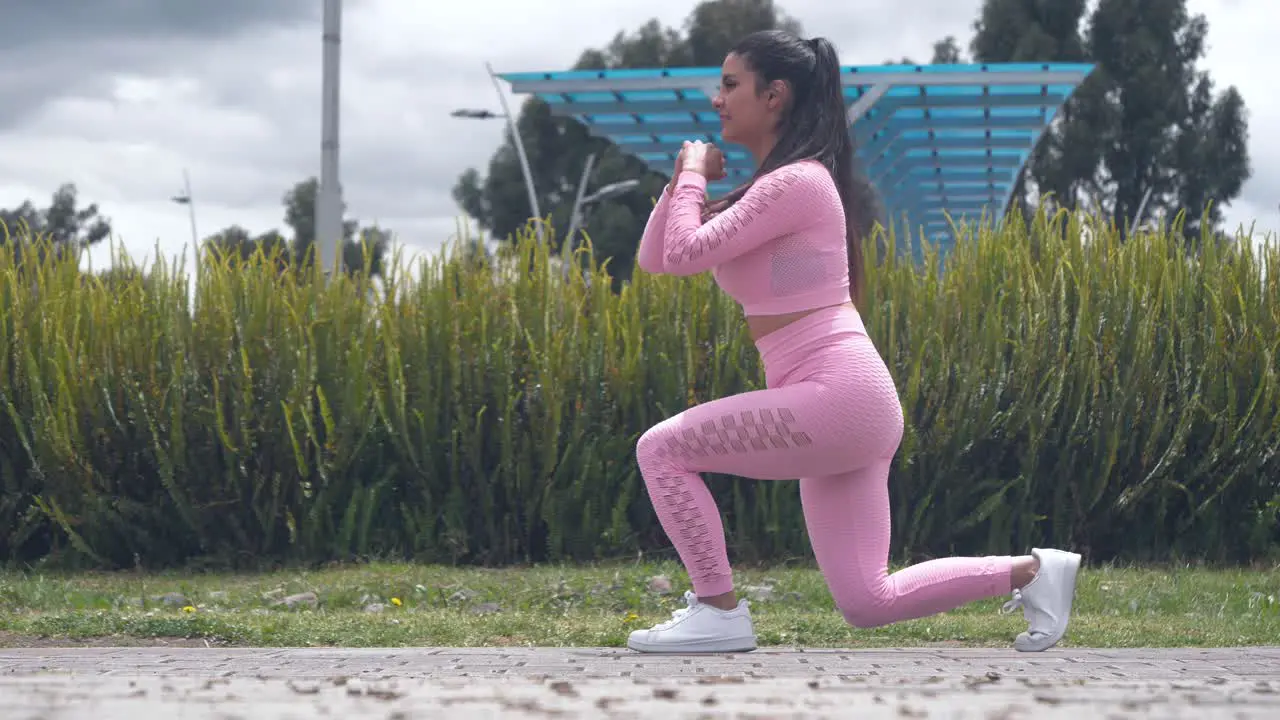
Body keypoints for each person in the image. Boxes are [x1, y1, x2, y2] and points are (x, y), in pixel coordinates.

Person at [628, 29, 1081, 655]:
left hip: (835, 395)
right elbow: (658, 256)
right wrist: (685, 182)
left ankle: (718, 610)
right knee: (868, 600)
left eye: (731, 84)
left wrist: (690, 174)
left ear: (776, 95)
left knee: (662, 450)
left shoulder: (799, 184)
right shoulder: (770, 189)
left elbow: (681, 252)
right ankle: (1033, 573)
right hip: (845, 403)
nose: (718, 98)